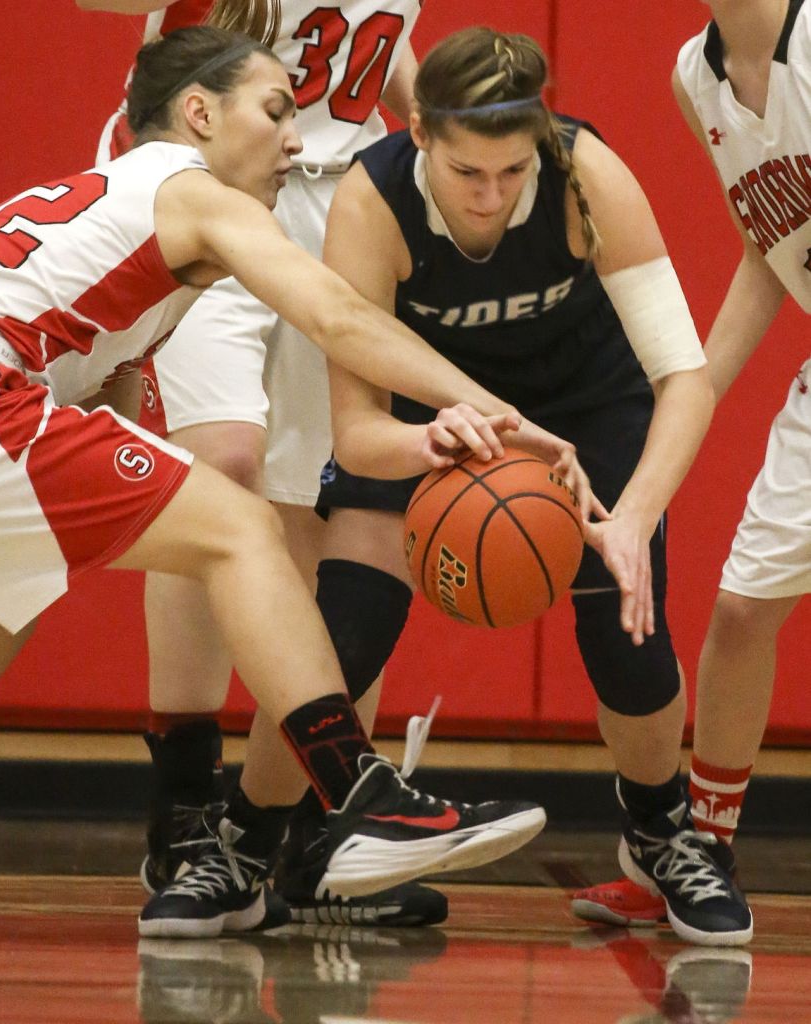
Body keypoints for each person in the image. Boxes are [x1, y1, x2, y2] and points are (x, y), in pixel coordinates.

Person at [0, 24, 582, 938]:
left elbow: (102, 400)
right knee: (243, 527)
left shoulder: (93, 206)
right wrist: (496, 412)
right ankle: (360, 796)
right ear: (199, 113)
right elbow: (339, 317)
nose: (296, 140)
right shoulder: (189, 188)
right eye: (275, 111)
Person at [297, 24, 757, 948]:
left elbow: (685, 379)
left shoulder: (589, 175)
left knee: (629, 637)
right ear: (420, 132)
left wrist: (634, 520)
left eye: (513, 171)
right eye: (469, 172)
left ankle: (661, 832)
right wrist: (430, 438)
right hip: (436, 414)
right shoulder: (372, 201)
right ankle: (302, 845)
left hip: (587, 404)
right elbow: (356, 431)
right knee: (344, 626)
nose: (492, 194)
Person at [76, 0, 440, 927]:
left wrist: (431, 128)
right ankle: (185, 802)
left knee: (338, 506)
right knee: (217, 475)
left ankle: (324, 826)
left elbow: (380, 44)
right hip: (208, 184)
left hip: (343, 197)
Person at [572, 0, 810, 934]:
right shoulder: (693, 75)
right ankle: (698, 848)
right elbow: (769, 247)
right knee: (744, 611)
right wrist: (692, 388)